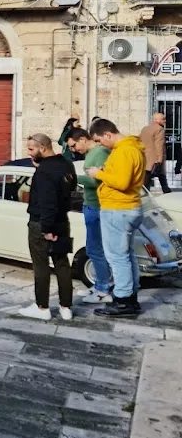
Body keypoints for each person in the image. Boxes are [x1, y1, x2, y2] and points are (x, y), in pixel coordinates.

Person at [87, 119, 146, 318]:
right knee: (127, 255)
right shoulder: (132, 148)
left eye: (99, 140)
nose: (99, 144)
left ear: (107, 135)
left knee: (117, 257)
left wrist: (99, 174)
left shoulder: (123, 151)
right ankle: (130, 296)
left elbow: (121, 182)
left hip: (118, 209)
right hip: (128, 207)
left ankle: (122, 300)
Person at [18, 134, 77, 321]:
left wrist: (47, 229)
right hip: (62, 221)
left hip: (43, 223)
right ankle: (66, 307)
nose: (29, 153)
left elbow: (47, 202)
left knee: (41, 266)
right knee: (62, 264)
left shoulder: (44, 172)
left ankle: (42, 307)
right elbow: (70, 187)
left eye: (31, 149)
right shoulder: (66, 164)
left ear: (42, 148)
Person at [67, 128, 113, 304]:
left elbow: (97, 180)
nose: (73, 149)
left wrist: (74, 178)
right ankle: (99, 285)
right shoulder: (92, 154)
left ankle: (102, 289)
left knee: (96, 249)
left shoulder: (99, 152)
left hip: (96, 206)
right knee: (93, 248)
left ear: (83, 139)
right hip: (91, 205)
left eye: (74, 145)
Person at [140, 112, 172, 194]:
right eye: (163, 119)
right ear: (156, 120)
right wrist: (160, 159)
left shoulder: (145, 128)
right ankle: (166, 191)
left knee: (147, 176)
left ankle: (146, 192)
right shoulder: (159, 129)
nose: (165, 121)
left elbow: (139, 140)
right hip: (155, 158)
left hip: (146, 157)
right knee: (161, 175)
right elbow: (159, 145)